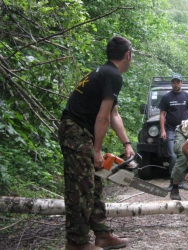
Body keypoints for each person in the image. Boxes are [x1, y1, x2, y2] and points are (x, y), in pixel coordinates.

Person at [58, 36, 134, 250]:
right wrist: (97, 151)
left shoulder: (105, 72)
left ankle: (102, 235)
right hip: (76, 132)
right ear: (127, 55)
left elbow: (113, 114)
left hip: (79, 132)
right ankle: (76, 243)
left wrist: (127, 143)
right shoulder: (112, 75)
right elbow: (102, 118)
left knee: (94, 181)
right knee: (80, 188)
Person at [158, 73, 188, 192]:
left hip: (184, 130)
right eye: (173, 82)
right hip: (170, 130)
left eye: (177, 82)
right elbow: (162, 114)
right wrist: (163, 130)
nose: (175, 84)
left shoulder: (187, 96)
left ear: (181, 83)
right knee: (173, 156)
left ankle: (179, 182)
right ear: (171, 83)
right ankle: (172, 182)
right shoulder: (166, 97)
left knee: (182, 155)